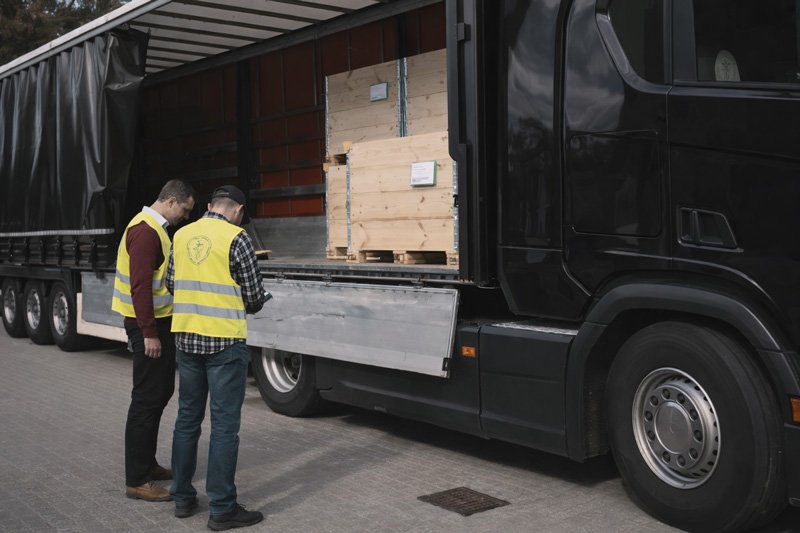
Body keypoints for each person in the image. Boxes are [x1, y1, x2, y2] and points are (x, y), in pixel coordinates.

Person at [167, 185, 270, 529]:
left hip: (186, 339)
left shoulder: (181, 234)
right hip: (224, 344)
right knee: (224, 426)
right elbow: (253, 297)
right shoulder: (237, 237)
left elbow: (170, 283)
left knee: (186, 419)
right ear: (238, 210)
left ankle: (182, 498)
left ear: (210, 206)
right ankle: (222, 508)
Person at [112, 179, 197, 501]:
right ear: (172, 201)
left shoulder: (153, 228)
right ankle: (137, 479)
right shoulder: (147, 231)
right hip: (147, 326)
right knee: (146, 401)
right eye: (185, 210)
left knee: (159, 393)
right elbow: (140, 287)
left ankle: (147, 464)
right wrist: (148, 332)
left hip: (156, 324)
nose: (185, 217)